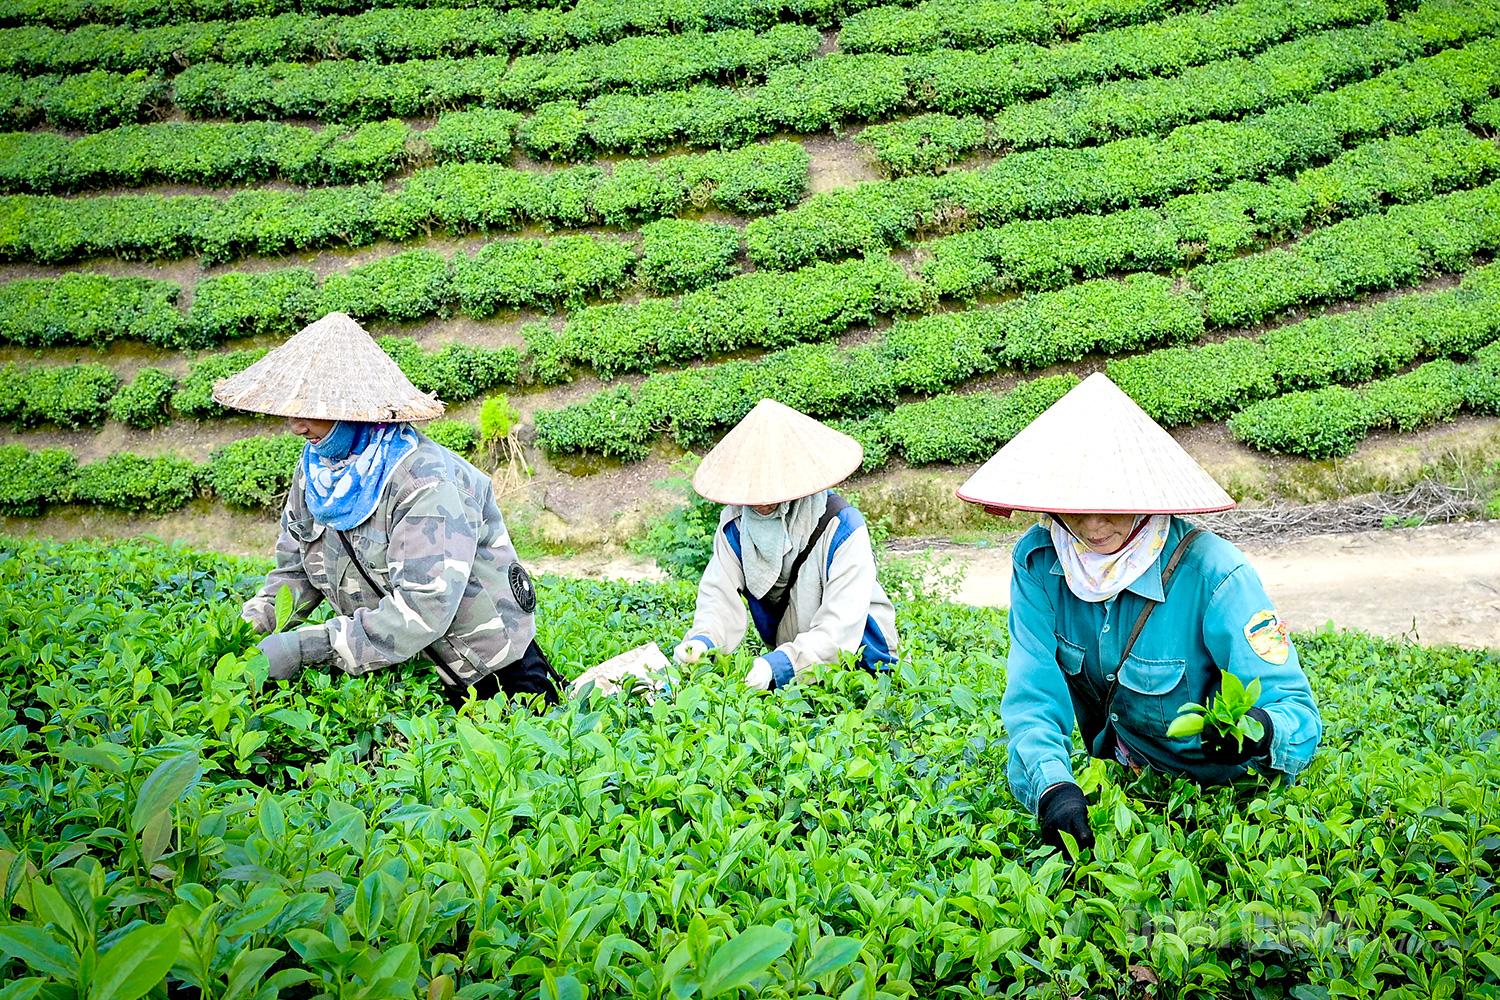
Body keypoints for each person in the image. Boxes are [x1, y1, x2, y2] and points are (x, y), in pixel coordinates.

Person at [957, 374, 1322, 853]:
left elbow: (1297, 712)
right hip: (1121, 785)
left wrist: (1259, 732)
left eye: (1112, 504)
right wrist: (1053, 789)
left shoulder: (1216, 574)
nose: (1092, 526)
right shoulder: (1040, 563)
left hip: (1220, 803)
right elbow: (1034, 697)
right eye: (1073, 506)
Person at [216, 312, 560, 706]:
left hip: (490, 671)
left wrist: (306, 648)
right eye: (291, 411)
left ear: (355, 409)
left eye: (309, 410)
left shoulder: (424, 482)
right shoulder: (315, 473)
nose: (296, 426)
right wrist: (251, 628)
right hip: (408, 673)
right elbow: (296, 571)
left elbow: (424, 607)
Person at [672, 399, 899, 689]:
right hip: (792, 661)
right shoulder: (735, 524)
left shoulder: (842, 526)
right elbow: (718, 596)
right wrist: (703, 642)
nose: (763, 499)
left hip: (864, 660)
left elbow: (841, 627)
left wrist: (778, 666)